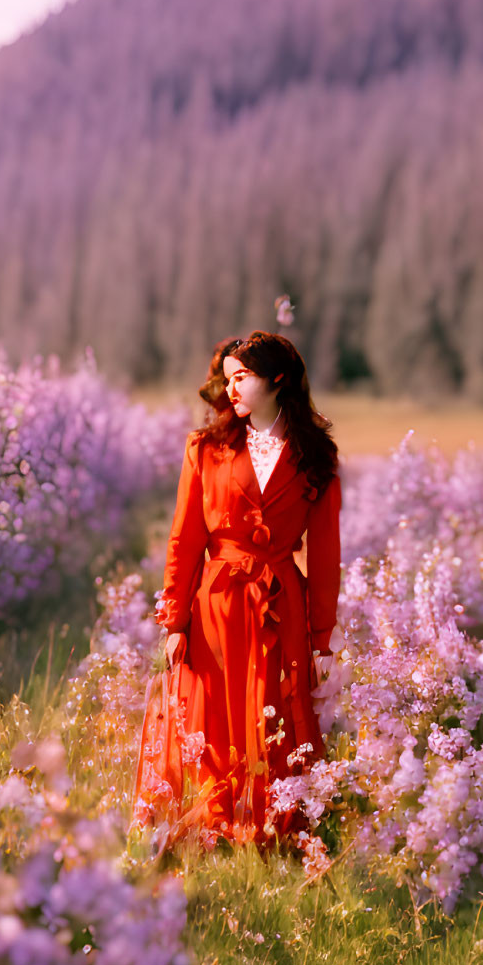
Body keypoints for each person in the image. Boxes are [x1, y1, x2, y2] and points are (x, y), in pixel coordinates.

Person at [133, 330, 341, 844]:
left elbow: (326, 555)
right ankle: (216, 823)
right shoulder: (204, 450)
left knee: (281, 710)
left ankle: (278, 823)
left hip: (282, 601)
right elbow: (183, 539)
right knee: (215, 711)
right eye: (226, 380)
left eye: (242, 378)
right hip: (216, 602)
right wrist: (174, 620)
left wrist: (322, 639)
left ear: (277, 379)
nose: (231, 389)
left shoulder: (316, 455)